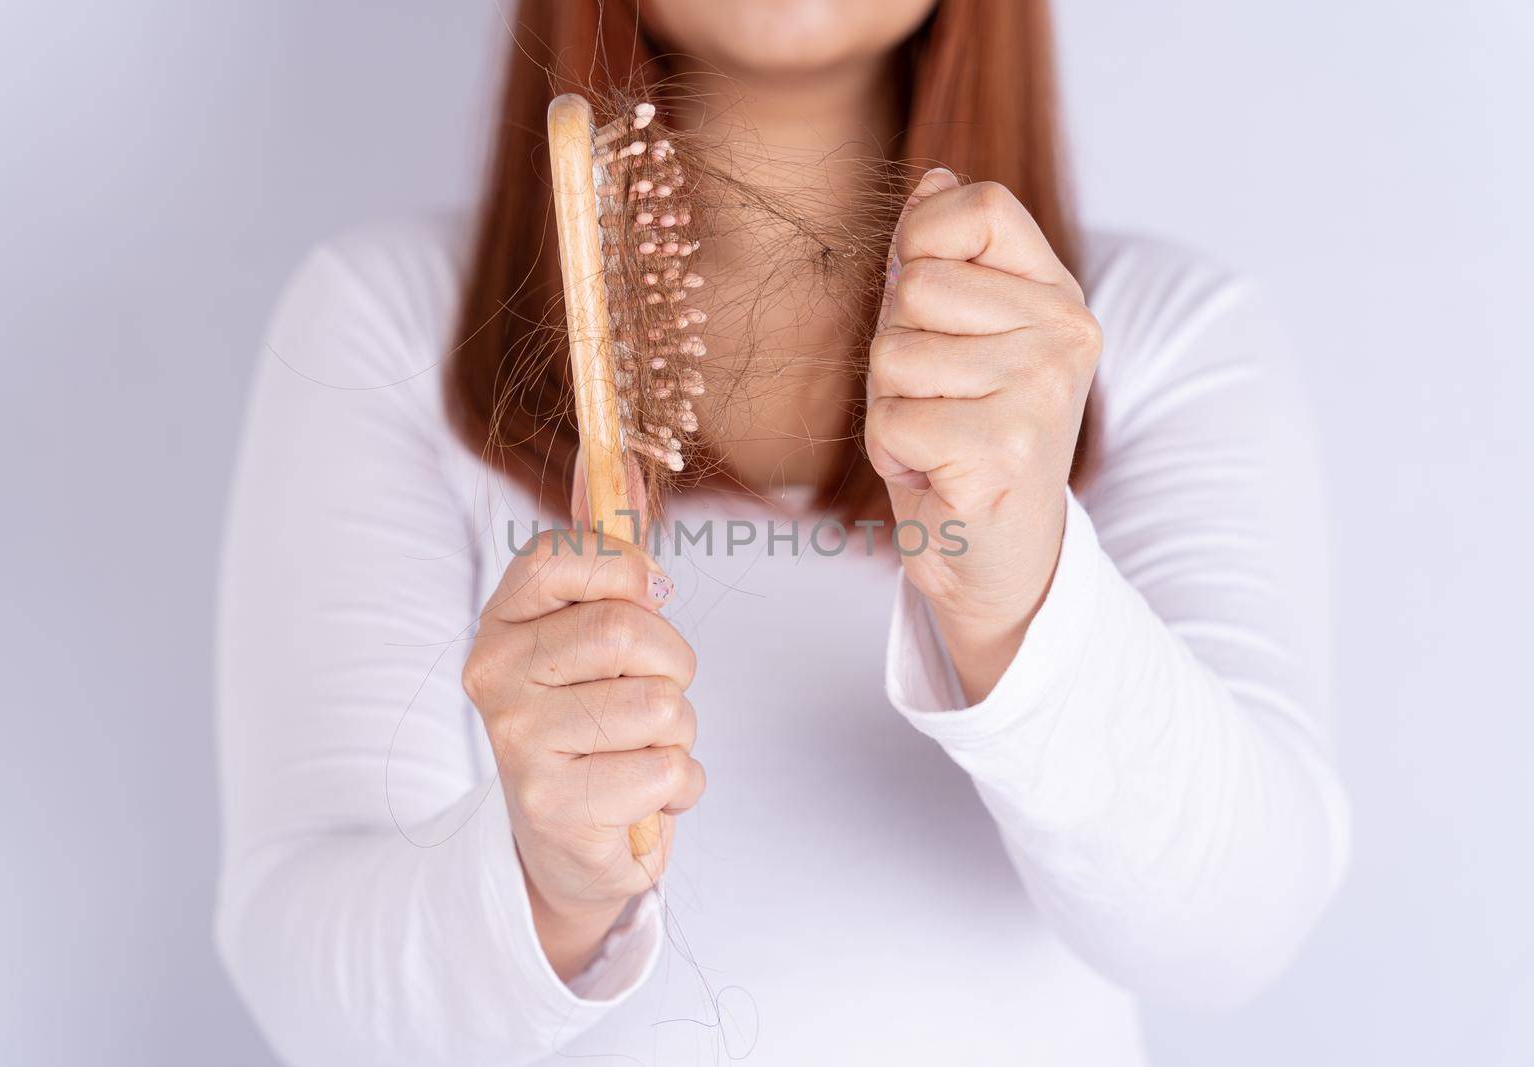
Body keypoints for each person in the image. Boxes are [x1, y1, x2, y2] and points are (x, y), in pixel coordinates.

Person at [215, 1, 1349, 1063]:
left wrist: (1019, 587)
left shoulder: (1157, 338)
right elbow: (308, 986)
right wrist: (540, 884)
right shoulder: (391, 322)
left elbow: (1233, 931)